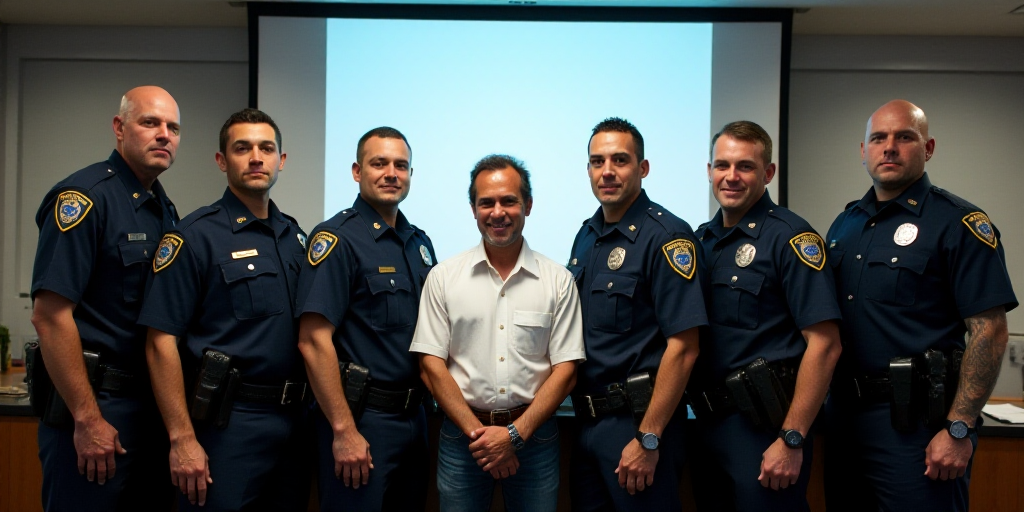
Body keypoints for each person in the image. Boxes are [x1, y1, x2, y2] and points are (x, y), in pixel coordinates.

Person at [824, 99, 1017, 511]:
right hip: (844, 421)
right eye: (878, 138)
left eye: (904, 137)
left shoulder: (959, 223)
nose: (889, 147)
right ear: (863, 152)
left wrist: (960, 427)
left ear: (927, 149)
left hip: (918, 426)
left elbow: (990, 330)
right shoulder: (845, 225)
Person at [137, 108, 310, 510]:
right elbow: (159, 343)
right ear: (221, 161)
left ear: (281, 161)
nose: (256, 157)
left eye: (267, 148)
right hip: (226, 424)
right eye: (242, 148)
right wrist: (181, 439)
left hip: (294, 422)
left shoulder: (295, 237)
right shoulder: (194, 237)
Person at [30, 85, 180, 511]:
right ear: (119, 128)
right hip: (95, 406)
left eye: (173, 127)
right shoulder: (85, 198)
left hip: (147, 408)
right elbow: (50, 316)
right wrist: (87, 417)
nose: (164, 135)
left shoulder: (163, 209)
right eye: (150, 122)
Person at [412, 155, 586, 512]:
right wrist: (482, 437)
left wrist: (514, 436)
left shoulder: (558, 281)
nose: (497, 212)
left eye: (509, 200)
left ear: (528, 206)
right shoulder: (444, 277)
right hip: (463, 440)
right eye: (486, 202)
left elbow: (566, 370)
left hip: (535, 439)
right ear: (473, 209)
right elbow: (431, 365)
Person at [688, 121, 842, 511]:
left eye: (745, 166)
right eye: (722, 165)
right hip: (705, 424)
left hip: (762, 430)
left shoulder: (791, 238)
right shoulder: (700, 242)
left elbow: (825, 346)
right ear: (709, 171)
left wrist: (792, 438)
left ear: (768, 173)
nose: (731, 177)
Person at [566, 117, 706, 512]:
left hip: (639, 426)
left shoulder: (667, 237)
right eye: (597, 161)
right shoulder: (587, 235)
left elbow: (684, 348)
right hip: (588, 424)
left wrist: (648, 438)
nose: (606, 171)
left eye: (620, 160)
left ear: (642, 168)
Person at [296, 127, 435, 512]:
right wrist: (343, 430)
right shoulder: (337, 239)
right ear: (357, 172)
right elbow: (312, 341)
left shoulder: (419, 243)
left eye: (401, 165)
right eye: (379, 163)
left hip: (415, 419)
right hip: (361, 420)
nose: (391, 173)